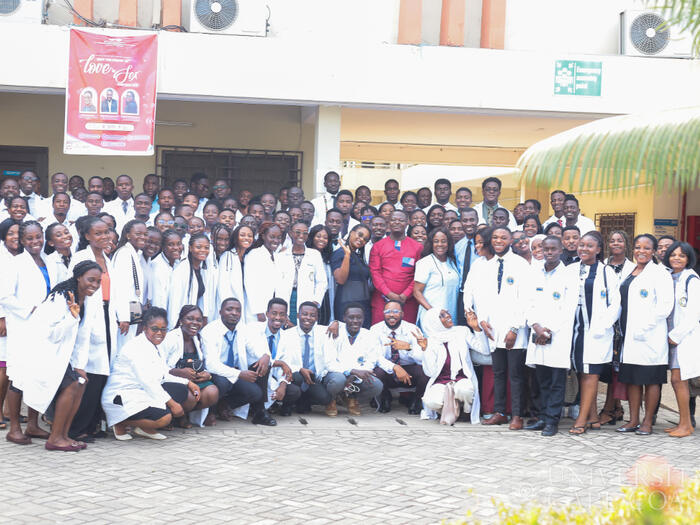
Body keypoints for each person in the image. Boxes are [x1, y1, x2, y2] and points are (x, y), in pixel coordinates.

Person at [18, 261, 102, 451]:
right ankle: (54, 438)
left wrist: (80, 366)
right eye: (91, 280)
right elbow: (51, 334)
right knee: (72, 384)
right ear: (78, 277)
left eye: (98, 282)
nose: (95, 286)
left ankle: (64, 434)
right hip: (43, 352)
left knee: (81, 381)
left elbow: (82, 337)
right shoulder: (60, 297)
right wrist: (72, 318)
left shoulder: (84, 300)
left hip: (62, 355)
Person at [102, 307, 199, 441]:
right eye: (155, 329)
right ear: (144, 328)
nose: (159, 333)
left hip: (142, 392)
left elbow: (163, 374)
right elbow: (148, 382)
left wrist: (188, 382)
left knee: (181, 390)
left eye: (163, 329)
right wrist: (172, 404)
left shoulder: (155, 344)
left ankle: (143, 427)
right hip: (123, 396)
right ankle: (121, 422)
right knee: (165, 418)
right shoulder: (136, 347)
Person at [1, 221, 56, 444]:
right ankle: (15, 428)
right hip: (24, 327)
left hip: (44, 328)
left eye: (38, 237)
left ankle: (33, 425)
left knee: (37, 377)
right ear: (22, 241)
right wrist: (29, 309)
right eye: (30, 239)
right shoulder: (15, 264)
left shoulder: (49, 262)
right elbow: (4, 296)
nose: (35, 242)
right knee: (19, 378)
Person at [616, 234, 674, 436]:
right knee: (632, 379)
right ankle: (633, 420)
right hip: (630, 337)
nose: (642, 251)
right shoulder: (629, 270)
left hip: (651, 337)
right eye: (638, 247)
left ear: (655, 251)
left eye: (647, 248)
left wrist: (645, 327)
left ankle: (647, 422)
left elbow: (665, 306)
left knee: (650, 380)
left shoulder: (660, 273)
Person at [474, 227, 531, 430]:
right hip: (493, 328)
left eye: (503, 237)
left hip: (514, 329)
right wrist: (482, 321)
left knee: (515, 375)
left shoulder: (520, 265)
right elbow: (482, 296)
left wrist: (515, 329)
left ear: (510, 241)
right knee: (498, 372)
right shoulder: (488, 266)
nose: (499, 241)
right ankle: (499, 412)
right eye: (495, 237)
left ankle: (517, 415)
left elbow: (525, 299)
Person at [566, 232, 621, 435]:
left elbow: (616, 304)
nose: (583, 249)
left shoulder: (607, 272)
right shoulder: (570, 270)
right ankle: (594, 417)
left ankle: (581, 419)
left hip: (596, 332)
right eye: (582, 245)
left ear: (598, 250)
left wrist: (603, 326)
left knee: (591, 374)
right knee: (581, 372)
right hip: (576, 331)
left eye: (589, 246)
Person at [68, 217, 117, 442]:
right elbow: (72, 288)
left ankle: (94, 423)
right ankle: (77, 428)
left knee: (101, 374)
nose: (104, 237)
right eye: (98, 233)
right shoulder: (80, 257)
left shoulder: (108, 258)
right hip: (87, 318)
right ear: (87, 236)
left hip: (107, 318)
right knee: (87, 375)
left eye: (106, 232)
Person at [525, 236, 578, 436]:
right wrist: (536, 326)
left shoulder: (568, 275)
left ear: (561, 249)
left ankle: (552, 422)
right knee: (542, 380)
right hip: (538, 333)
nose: (548, 252)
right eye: (545, 249)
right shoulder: (535, 273)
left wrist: (548, 331)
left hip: (558, 334)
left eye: (553, 249)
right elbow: (528, 302)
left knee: (557, 381)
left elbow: (568, 307)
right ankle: (543, 417)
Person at [200, 298, 275, 425]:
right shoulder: (210, 331)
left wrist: (265, 355)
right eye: (229, 309)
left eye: (238, 310)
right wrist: (239, 374)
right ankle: (210, 412)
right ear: (220, 312)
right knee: (223, 382)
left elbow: (256, 348)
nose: (234, 313)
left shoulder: (243, 329)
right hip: (216, 375)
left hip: (235, 373)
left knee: (256, 391)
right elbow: (211, 365)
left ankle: (230, 406)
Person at [420, 307, 487, 424]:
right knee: (431, 401)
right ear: (434, 321)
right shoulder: (431, 340)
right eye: (442, 315)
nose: (448, 316)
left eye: (447, 313)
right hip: (441, 381)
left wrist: (476, 329)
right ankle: (450, 410)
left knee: (464, 390)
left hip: (462, 378)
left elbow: (484, 350)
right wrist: (425, 350)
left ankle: (466, 411)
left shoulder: (462, 331)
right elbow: (430, 372)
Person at [281, 302, 344, 415]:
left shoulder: (324, 333)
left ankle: (306, 400)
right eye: (304, 314)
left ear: (317, 318)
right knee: (298, 377)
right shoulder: (287, 335)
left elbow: (330, 359)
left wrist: (336, 322)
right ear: (298, 315)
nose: (308, 318)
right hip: (295, 375)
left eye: (312, 315)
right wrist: (300, 369)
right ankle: (288, 404)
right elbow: (284, 361)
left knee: (325, 398)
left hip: (313, 378)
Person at [325, 304, 389, 416]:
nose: (355, 321)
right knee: (338, 381)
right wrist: (351, 371)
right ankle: (332, 400)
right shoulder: (334, 332)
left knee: (376, 385)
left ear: (363, 318)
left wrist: (357, 374)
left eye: (359, 317)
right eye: (351, 317)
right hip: (336, 374)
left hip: (357, 374)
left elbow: (371, 360)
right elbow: (330, 362)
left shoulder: (369, 335)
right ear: (344, 318)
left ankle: (352, 398)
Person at [162, 305, 220, 427]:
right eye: (190, 318)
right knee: (191, 396)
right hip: (174, 380)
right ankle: (175, 416)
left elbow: (206, 363)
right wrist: (178, 372)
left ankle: (185, 414)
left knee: (212, 392)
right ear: (181, 320)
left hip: (194, 380)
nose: (195, 323)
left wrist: (207, 374)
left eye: (198, 320)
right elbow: (159, 367)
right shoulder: (171, 338)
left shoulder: (198, 338)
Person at [664, 241, 700, 438]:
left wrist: (676, 336)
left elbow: (693, 313)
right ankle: (683, 422)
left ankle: (686, 425)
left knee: (679, 380)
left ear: (689, 259)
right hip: (671, 337)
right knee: (678, 381)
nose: (676, 258)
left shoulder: (691, 279)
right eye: (673, 254)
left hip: (684, 338)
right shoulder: (670, 277)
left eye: (682, 255)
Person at [369, 301, 428, 414]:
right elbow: (376, 357)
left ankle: (417, 400)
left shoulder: (413, 329)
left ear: (402, 314)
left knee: (426, 371)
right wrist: (395, 367)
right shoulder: (375, 330)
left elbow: (422, 358)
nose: (391, 315)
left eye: (396, 311)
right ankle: (385, 397)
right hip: (388, 371)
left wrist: (409, 348)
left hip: (409, 371)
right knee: (377, 372)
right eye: (388, 312)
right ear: (383, 314)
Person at [247, 298, 301, 417]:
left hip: (274, 378)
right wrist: (280, 363)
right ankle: (259, 412)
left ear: (286, 317)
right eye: (274, 313)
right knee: (264, 365)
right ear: (267, 314)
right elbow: (257, 355)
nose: (277, 317)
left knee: (294, 391)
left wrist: (283, 385)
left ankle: (271, 406)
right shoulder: (253, 329)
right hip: (254, 376)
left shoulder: (287, 337)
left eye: (282, 314)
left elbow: (287, 365)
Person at [369, 210, 424, 325]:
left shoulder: (417, 247)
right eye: (393, 220)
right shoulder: (378, 246)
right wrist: (389, 293)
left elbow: (419, 275)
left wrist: (405, 295)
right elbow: (375, 273)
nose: (397, 223)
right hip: (382, 299)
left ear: (407, 222)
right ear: (388, 222)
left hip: (408, 302)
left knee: (407, 335)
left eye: (401, 220)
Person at [244, 223, 294, 323]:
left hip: (275, 312)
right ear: (263, 236)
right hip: (258, 313)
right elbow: (250, 285)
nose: (276, 241)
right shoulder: (254, 255)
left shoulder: (279, 257)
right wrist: (258, 311)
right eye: (272, 237)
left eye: (279, 237)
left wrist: (284, 313)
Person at [166, 233, 216, 329]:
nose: (203, 250)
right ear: (190, 248)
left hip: (195, 322)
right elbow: (175, 302)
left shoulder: (203, 270)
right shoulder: (182, 270)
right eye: (198, 247)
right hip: (180, 323)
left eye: (206, 247)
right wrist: (175, 325)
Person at [111, 220, 148, 349]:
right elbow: (120, 288)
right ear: (128, 235)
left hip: (134, 305)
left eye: (145, 234)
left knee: (130, 344)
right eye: (138, 233)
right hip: (126, 309)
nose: (143, 237)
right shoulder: (124, 254)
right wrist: (124, 317)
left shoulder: (135, 254)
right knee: (123, 346)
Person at [413, 227, 459, 329]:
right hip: (432, 316)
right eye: (436, 241)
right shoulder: (425, 263)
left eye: (443, 241)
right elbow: (417, 292)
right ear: (431, 243)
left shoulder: (452, 262)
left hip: (451, 315)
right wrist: (434, 312)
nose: (440, 244)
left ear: (449, 243)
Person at [286, 221, 328, 325]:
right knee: (287, 330)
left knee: (305, 329)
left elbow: (322, 282)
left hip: (308, 298)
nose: (301, 235)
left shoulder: (314, 255)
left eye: (305, 233)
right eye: (297, 232)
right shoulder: (281, 255)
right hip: (287, 297)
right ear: (291, 233)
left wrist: (315, 302)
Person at [331, 224, 372, 327]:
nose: (361, 239)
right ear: (351, 232)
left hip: (363, 305)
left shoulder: (358, 256)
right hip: (346, 306)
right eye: (360, 234)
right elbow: (340, 279)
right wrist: (347, 255)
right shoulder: (340, 253)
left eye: (365, 239)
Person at [454, 208, 480, 326]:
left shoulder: (485, 244)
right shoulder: (458, 245)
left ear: (477, 220)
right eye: (465, 220)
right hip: (462, 295)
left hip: (480, 294)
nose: (469, 224)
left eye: (472, 220)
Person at [306, 224, 335, 325]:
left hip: (324, 299)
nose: (321, 239)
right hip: (307, 297)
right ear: (312, 237)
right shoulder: (305, 254)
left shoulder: (330, 257)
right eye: (318, 236)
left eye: (325, 237)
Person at [149, 229, 183, 310]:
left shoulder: (179, 263)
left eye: (179, 244)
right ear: (163, 247)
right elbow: (159, 300)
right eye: (171, 244)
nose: (176, 248)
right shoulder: (157, 266)